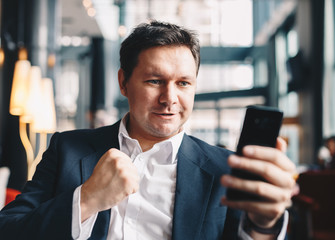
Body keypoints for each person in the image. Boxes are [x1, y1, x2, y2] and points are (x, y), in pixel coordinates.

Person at [0, 21, 296, 240]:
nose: (170, 98)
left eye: (183, 83)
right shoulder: (68, 148)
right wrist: (86, 200)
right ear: (123, 83)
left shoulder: (224, 169)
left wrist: (263, 227)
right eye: (155, 81)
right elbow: (8, 229)